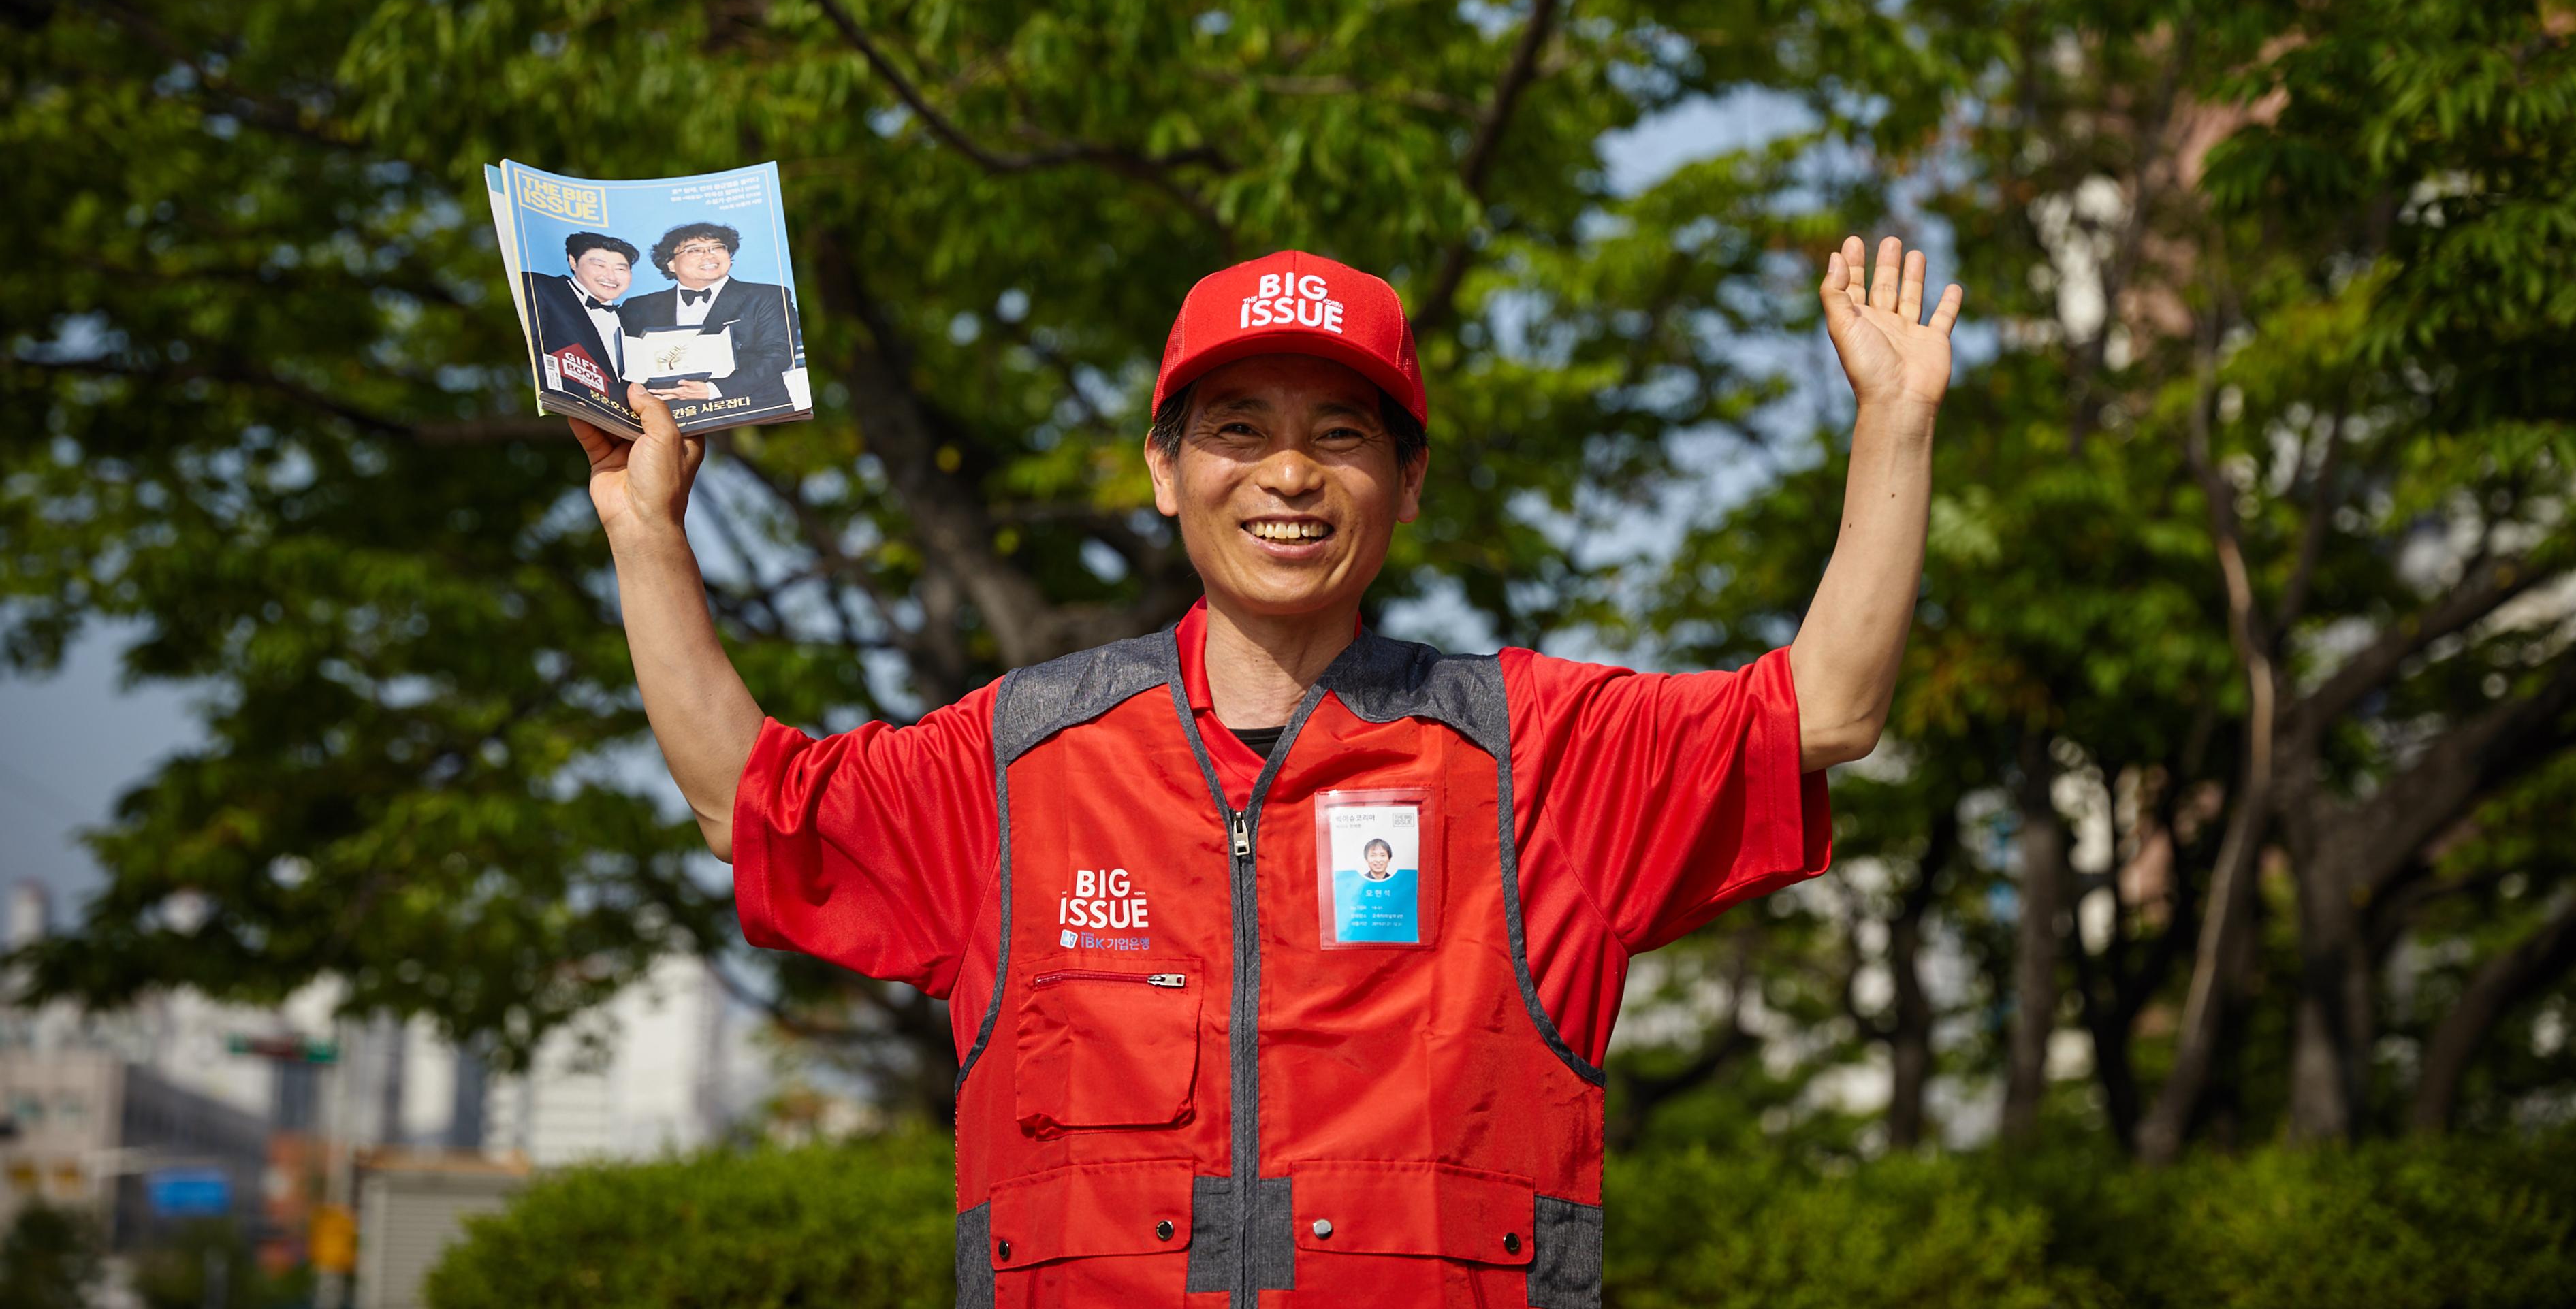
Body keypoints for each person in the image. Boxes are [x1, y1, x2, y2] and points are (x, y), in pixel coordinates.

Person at [569, 240, 1960, 1308]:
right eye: (1238, 427)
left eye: (1341, 432)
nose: (1288, 471)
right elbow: (750, 800)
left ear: (1407, 483)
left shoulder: (1535, 750)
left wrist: (1893, 418)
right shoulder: (1018, 757)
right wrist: (646, 537)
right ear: (1165, 472)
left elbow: (1824, 712)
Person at [614, 221, 802, 414]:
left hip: (752, 412)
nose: (709, 255)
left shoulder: (767, 296)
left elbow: (779, 354)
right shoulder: (638, 307)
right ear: (671, 263)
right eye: (694, 250)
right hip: (669, 416)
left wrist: (713, 390)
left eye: (718, 247)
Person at [520, 231, 635, 406]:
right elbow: (532, 345)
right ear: (573, 262)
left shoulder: (632, 315)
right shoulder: (540, 286)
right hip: (565, 409)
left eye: (620, 269)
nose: (611, 277)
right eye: (599, 265)